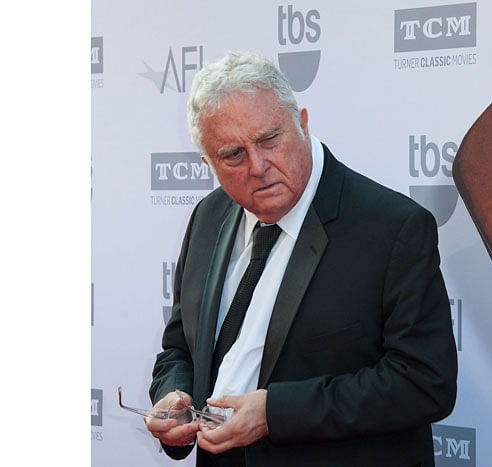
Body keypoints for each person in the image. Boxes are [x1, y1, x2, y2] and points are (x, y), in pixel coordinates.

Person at [146, 52, 458, 466]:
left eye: (270, 139)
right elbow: (179, 347)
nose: (258, 166)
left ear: (303, 123)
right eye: (233, 155)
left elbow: (425, 382)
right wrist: (173, 397)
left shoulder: (393, 228)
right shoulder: (208, 216)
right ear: (209, 163)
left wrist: (276, 413)